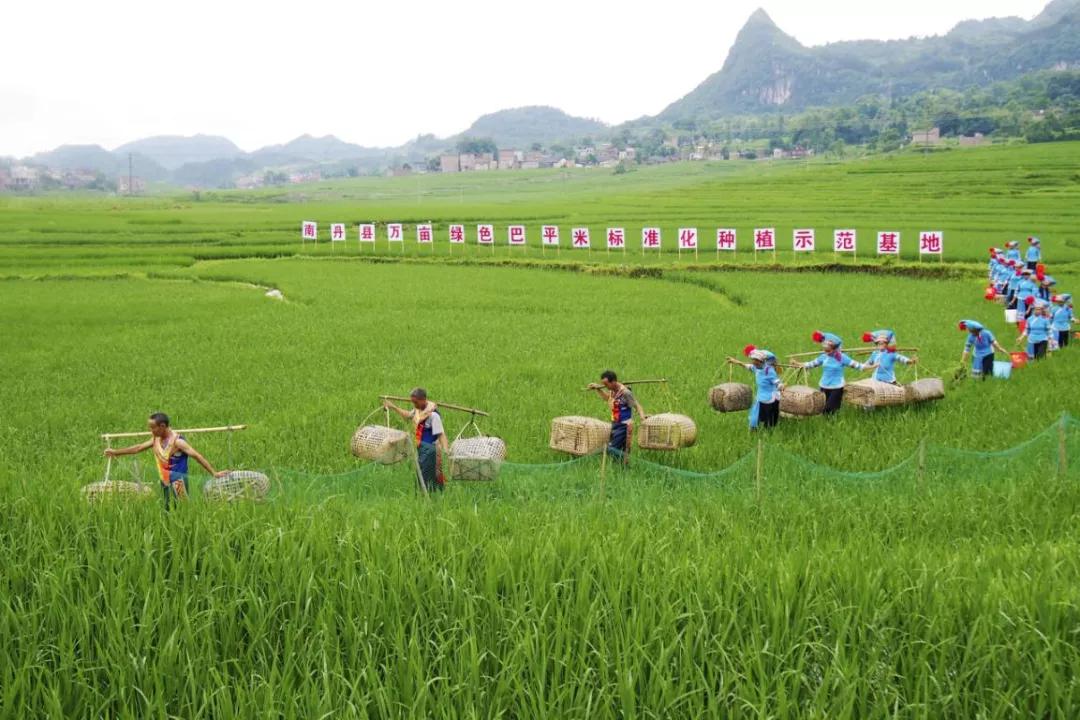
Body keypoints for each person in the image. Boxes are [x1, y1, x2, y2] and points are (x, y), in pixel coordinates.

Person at [103, 412, 227, 509]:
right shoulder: (156, 439)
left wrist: (214, 473)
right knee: (167, 506)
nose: (151, 431)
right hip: (165, 480)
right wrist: (115, 452)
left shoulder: (178, 442)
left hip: (179, 482)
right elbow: (138, 448)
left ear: (162, 426)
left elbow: (197, 456)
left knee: (183, 508)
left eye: (153, 428)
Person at [385, 389, 447, 492]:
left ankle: (428, 496)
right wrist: (393, 407)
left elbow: (441, 434)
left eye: (416, 402)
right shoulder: (418, 411)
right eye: (413, 402)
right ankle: (428, 495)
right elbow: (408, 415)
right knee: (422, 474)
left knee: (427, 475)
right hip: (421, 448)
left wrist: (445, 450)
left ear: (423, 399)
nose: (414, 404)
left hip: (431, 450)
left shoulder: (433, 416)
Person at [794, 331, 867, 415]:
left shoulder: (841, 357)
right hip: (824, 385)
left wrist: (869, 366)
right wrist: (799, 364)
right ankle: (827, 421)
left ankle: (833, 419)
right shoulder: (824, 356)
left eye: (828, 350)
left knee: (830, 407)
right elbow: (811, 364)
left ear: (835, 349)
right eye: (825, 350)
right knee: (823, 407)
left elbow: (857, 365)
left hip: (836, 386)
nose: (826, 352)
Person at [588, 370, 647, 462]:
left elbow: (637, 405)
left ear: (614, 382)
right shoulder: (612, 391)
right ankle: (621, 468)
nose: (606, 387)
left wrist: (643, 418)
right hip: (615, 424)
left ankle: (620, 466)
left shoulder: (625, 393)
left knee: (613, 449)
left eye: (607, 384)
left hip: (624, 426)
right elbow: (607, 398)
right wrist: (598, 389)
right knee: (619, 451)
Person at [727, 345, 784, 429]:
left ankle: (769, 431)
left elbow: (777, 382)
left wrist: (781, 386)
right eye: (753, 361)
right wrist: (735, 361)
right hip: (760, 397)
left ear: (761, 361)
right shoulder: (756, 368)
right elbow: (746, 365)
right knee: (755, 416)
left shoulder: (769, 371)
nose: (754, 363)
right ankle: (754, 429)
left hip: (770, 398)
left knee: (769, 420)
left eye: (756, 361)